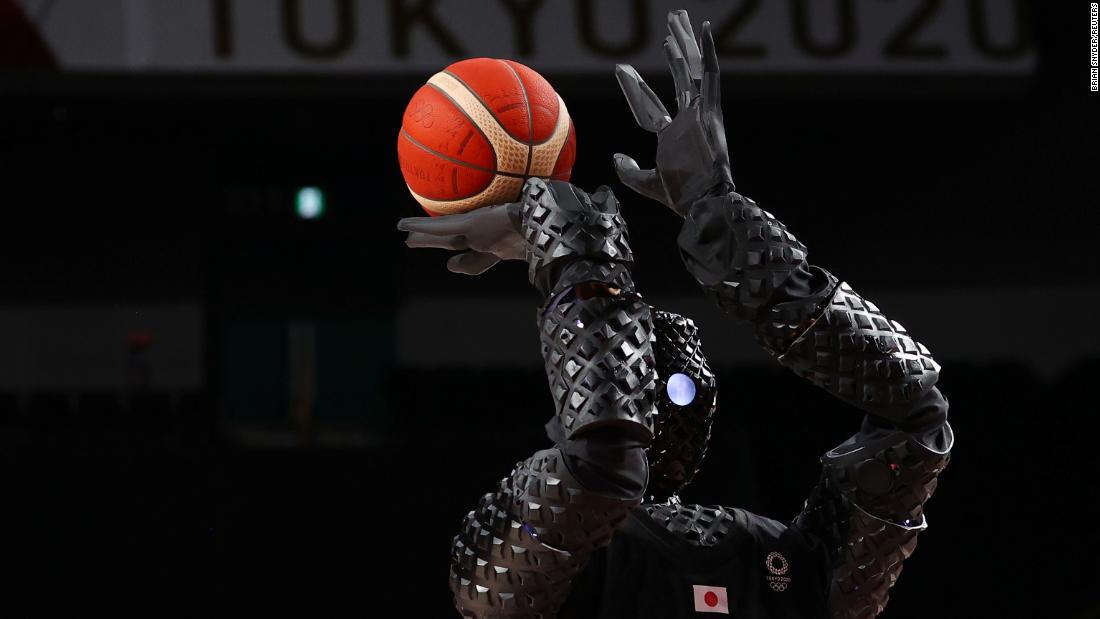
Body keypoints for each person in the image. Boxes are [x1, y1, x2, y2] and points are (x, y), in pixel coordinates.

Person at [397, 10, 952, 619]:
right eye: (639, 376)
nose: (664, 390)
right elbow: (604, 461)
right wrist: (689, 222)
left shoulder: (788, 567)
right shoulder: (514, 570)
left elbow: (916, 417)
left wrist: (589, 237)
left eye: (664, 382)